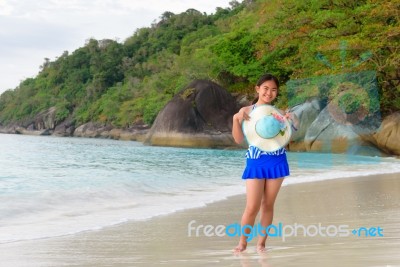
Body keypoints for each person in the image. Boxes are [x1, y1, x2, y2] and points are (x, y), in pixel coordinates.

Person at [232, 73, 299, 253]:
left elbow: (293, 132)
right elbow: (238, 140)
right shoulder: (246, 110)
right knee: (252, 206)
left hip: (277, 160)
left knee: (268, 205)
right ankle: (243, 243)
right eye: (266, 89)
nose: (269, 93)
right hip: (255, 161)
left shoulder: (278, 114)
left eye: (273, 90)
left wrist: (293, 119)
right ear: (258, 89)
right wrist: (235, 119)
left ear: (277, 93)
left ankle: (261, 244)